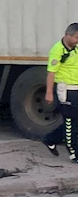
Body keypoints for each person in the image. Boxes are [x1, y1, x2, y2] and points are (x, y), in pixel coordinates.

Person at [42, 23, 78, 161]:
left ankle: (50, 139)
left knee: (75, 121)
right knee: (70, 122)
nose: (77, 41)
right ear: (67, 35)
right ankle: (74, 153)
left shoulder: (75, 47)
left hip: (76, 88)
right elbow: (51, 73)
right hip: (66, 90)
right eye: (76, 37)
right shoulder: (57, 50)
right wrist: (49, 92)